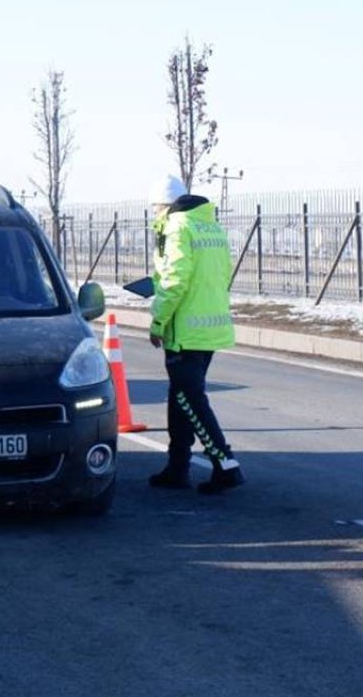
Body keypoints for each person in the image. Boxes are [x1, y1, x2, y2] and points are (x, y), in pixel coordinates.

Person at [145, 175, 244, 495]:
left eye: (155, 209)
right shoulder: (210, 226)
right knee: (181, 398)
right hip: (209, 325)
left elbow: (175, 280)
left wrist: (159, 321)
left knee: (191, 399)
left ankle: (225, 465)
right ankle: (177, 468)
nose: (154, 215)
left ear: (163, 206)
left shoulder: (176, 227)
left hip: (185, 329)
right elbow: (220, 273)